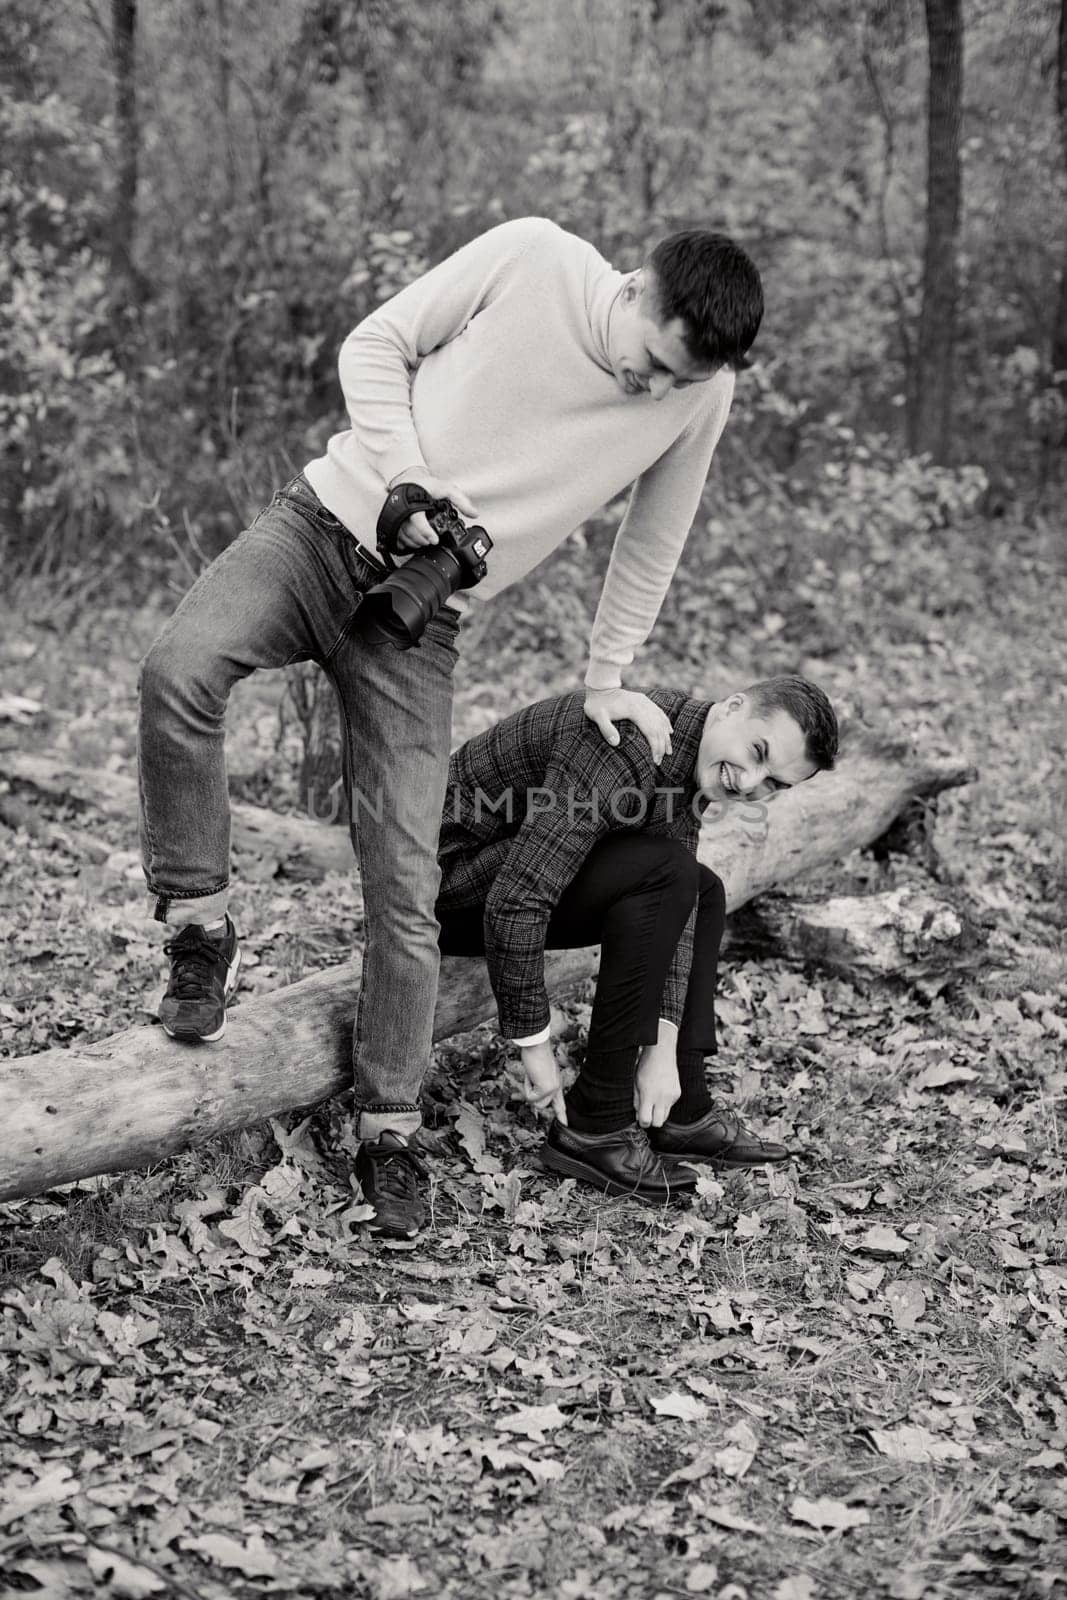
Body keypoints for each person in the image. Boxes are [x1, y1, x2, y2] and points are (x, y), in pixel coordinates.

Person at [137, 216, 764, 1239]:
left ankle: (388, 1128)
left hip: (421, 624)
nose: (654, 391)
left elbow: (654, 537)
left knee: (407, 880)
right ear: (638, 288)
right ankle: (198, 928)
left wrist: (605, 675)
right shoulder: (533, 257)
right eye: (651, 364)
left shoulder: (703, 392)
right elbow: (372, 344)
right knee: (178, 670)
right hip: (322, 527)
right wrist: (405, 475)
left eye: (677, 381)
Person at [435, 676, 839, 1201]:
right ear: (733, 707)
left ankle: (683, 1110)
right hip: (446, 886)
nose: (749, 783)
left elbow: (682, 900)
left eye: (773, 784)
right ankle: (596, 1121)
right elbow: (517, 900)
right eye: (757, 752)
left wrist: (663, 1052)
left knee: (701, 888)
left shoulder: (693, 758)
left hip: (517, 874)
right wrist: (535, 1049)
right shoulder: (627, 739)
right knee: (671, 872)